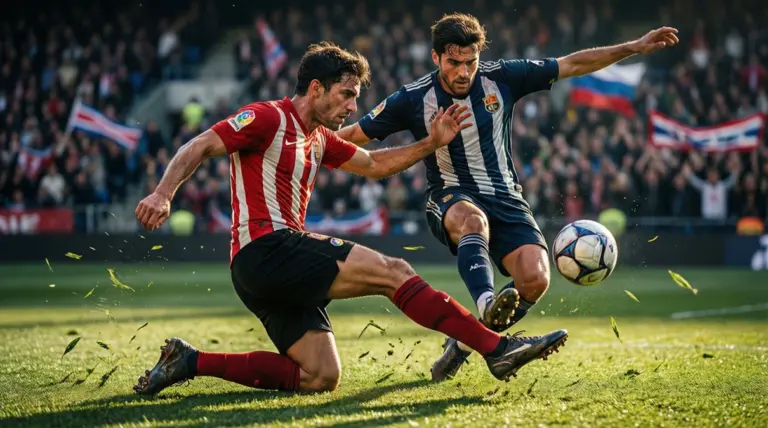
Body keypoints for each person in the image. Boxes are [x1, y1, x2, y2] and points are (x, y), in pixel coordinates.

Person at [132, 42, 568, 395]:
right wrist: (162, 192)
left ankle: (188, 361)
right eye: (346, 95)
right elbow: (200, 144)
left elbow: (375, 165)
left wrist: (432, 143)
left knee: (320, 377)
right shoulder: (267, 117)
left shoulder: (319, 138)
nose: (351, 108)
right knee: (394, 272)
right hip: (267, 248)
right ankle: (496, 348)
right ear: (316, 88)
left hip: (265, 270)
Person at [336, 13, 679, 381]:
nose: (464, 72)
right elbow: (353, 136)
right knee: (474, 222)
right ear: (436, 58)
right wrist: (303, 142)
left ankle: (465, 344)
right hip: (451, 195)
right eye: (454, 63)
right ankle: (486, 305)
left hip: (507, 197)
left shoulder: (502, 77)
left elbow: (572, 63)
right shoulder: (412, 98)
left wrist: (633, 47)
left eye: (471, 62)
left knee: (535, 279)